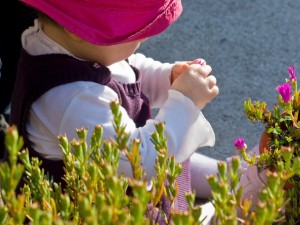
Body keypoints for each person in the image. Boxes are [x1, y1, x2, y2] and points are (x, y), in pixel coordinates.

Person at [9, 0, 219, 223]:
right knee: (171, 147)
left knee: (176, 150)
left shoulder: (74, 48)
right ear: (77, 29)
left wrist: (166, 78)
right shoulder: (74, 99)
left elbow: (125, 69)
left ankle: (220, 176)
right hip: (98, 209)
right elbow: (142, 162)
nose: (143, 38)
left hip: (117, 168)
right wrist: (184, 102)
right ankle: (221, 197)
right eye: (132, 33)